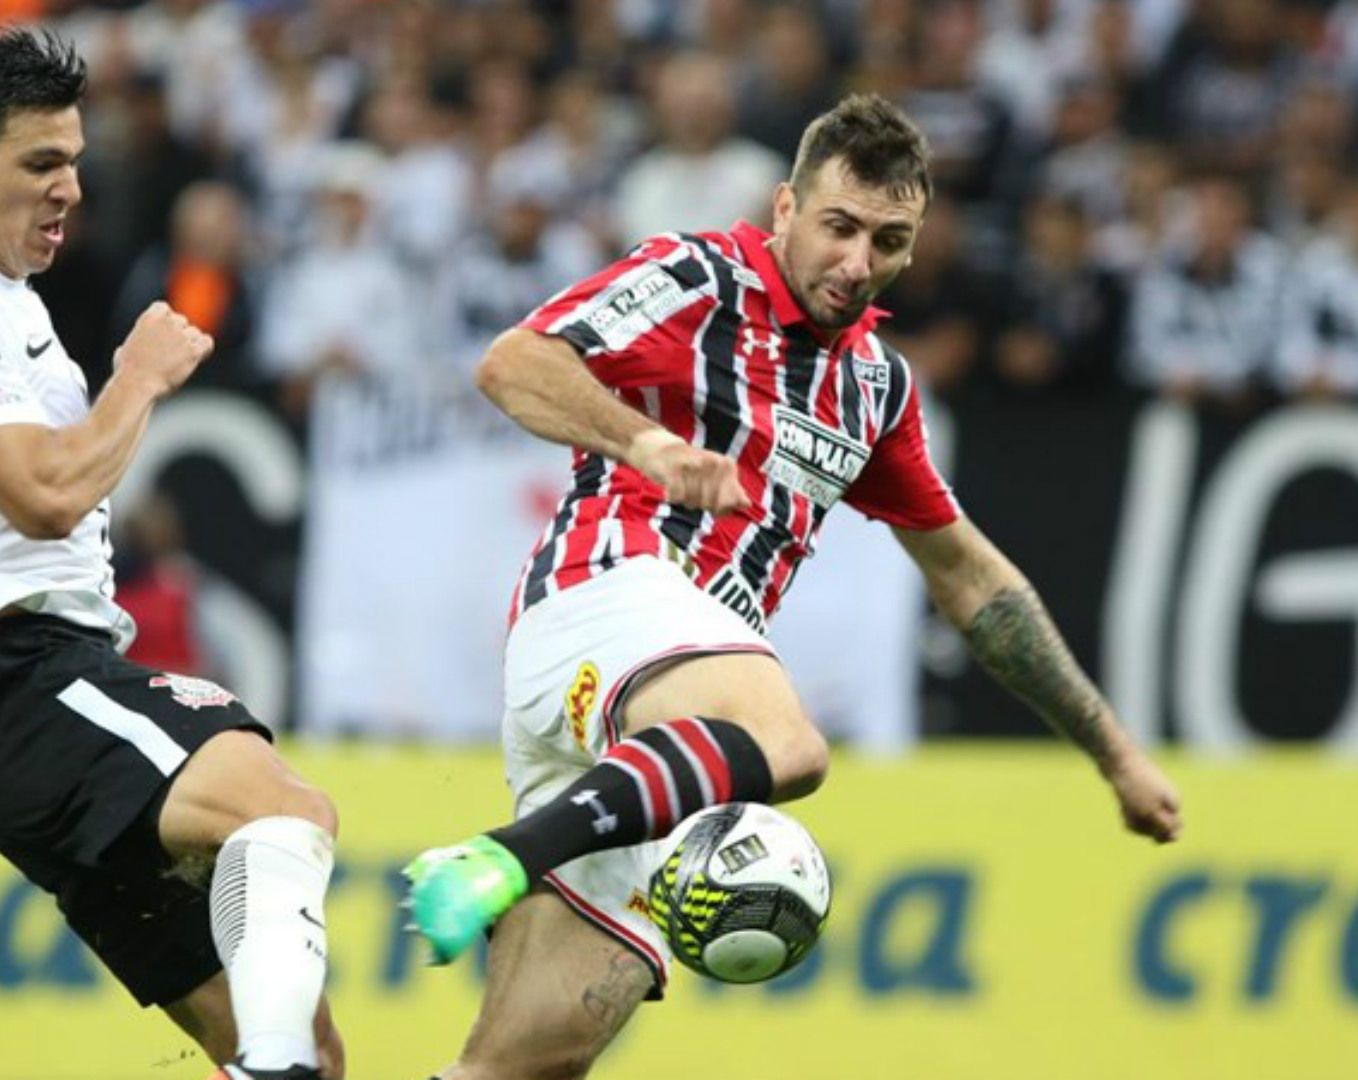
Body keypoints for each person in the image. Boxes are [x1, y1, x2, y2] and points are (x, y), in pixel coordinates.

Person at [403, 93, 1184, 1080]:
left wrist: (1115, 755)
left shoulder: (875, 390)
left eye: (889, 241)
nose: (857, 263)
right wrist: (645, 439)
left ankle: (517, 866)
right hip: (605, 590)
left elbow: (970, 578)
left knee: (520, 1068)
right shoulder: (697, 277)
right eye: (839, 227)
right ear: (785, 209)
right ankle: (502, 855)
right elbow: (512, 362)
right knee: (789, 744)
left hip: (652, 736)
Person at [0, 30, 340, 1080]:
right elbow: (43, 498)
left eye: (75, 162)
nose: (70, 190)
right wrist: (137, 377)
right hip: (32, 684)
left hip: (6, 710)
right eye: (40, 164)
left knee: (308, 1044)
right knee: (286, 813)